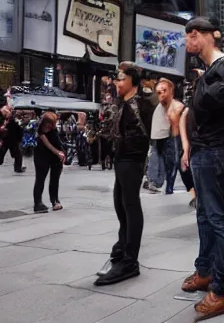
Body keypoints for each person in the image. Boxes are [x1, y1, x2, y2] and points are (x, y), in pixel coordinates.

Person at [179, 17, 224, 320]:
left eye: (191, 36)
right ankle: (205, 271)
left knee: (223, 220)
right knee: (205, 216)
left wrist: (200, 82)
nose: (187, 42)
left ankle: (223, 290)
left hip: (217, 153)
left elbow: (203, 104)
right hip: (204, 153)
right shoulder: (211, 72)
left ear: (205, 37)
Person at [95, 62, 155, 286]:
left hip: (133, 159)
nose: (116, 82)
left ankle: (130, 260)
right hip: (122, 159)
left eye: (121, 78)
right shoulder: (125, 103)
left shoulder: (142, 104)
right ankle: (121, 250)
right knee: (120, 205)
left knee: (130, 205)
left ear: (132, 80)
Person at [146, 79, 185, 194]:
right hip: (159, 134)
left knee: (160, 158)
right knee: (159, 158)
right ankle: (156, 182)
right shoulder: (163, 102)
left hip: (164, 135)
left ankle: (156, 182)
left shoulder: (170, 103)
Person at [32, 112, 65, 213]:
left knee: (55, 179)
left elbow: (57, 141)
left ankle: (55, 200)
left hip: (55, 156)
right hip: (42, 155)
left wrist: (61, 153)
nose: (51, 126)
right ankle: (38, 203)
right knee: (40, 179)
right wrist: (58, 153)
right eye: (50, 124)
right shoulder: (39, 130)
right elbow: (47, 144)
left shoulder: (53, 129)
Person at [1, 106, 25, 172]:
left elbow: (19, 129)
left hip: (13, 139)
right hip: (8, 139)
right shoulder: (7, 119)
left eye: (3, 112)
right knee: (17, 154)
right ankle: (18, 168)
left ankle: (18, 168)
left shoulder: (13, 119)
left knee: (18, 155)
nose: (2, 113)